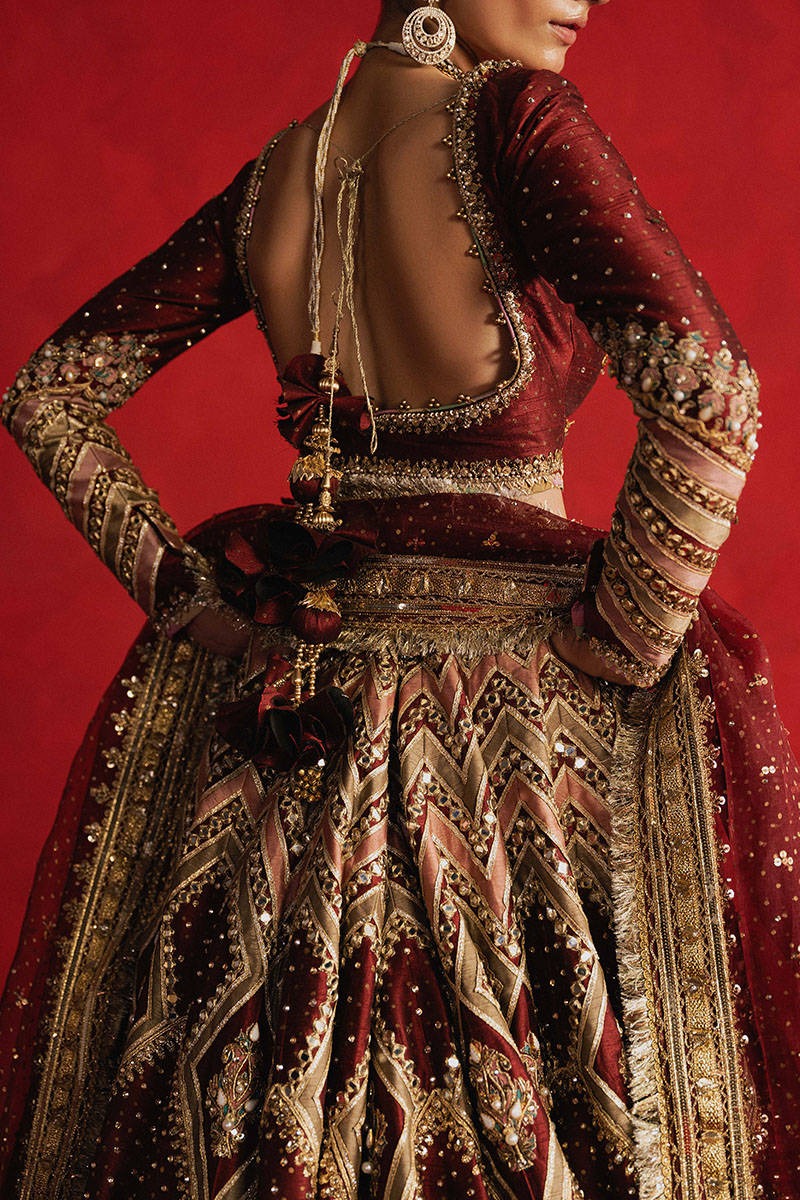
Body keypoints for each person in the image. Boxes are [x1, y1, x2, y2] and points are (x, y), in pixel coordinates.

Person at [1, 1, 798, 1197]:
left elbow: (48, 396)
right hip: (516, 732)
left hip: (290, 712)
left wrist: (193, 601)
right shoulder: (514, 122)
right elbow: (708, 390)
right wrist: (627, 632)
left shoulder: (288, 166)